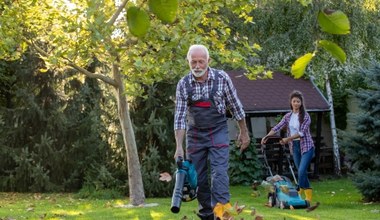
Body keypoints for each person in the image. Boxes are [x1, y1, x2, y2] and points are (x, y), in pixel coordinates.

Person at [174, 44, 250, 220]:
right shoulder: (184, 85)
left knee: (219, 174)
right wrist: (179, 146)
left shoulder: (222, 78)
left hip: (218, 131)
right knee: (198, 180)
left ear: (209, 61)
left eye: (201, 61)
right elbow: (179, 118)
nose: (197, 66)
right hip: (195, 135)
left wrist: (244, 132)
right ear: (188, 62)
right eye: (193, 62)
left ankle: (223, 215)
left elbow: (236, 106)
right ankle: (207, 215)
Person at [261, 90, 315, 203]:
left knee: (301, 171)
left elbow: (301, 133)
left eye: (298, 101)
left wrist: (287, 139)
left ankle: (302, 192)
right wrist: (266, 137)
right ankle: (303, 193)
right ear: (291, 102)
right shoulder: (288, 116)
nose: (296, 103)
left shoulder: (306, 116)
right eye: (294, 101)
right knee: (302, 172)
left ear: (301, 103)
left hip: (306, 146)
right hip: (294, 146)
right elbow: (277, 127)